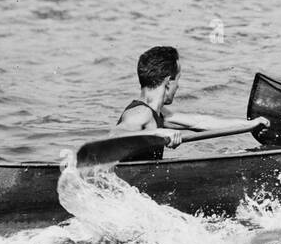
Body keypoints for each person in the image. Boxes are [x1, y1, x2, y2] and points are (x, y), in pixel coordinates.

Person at [112, 46, 269, 160]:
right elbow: (115, 136)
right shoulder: (140, 113)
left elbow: (200, 122)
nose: (178, 86)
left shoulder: (160, 114)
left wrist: (251, 125)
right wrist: (159, 133)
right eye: (178, 79)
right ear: (168, 82)